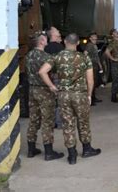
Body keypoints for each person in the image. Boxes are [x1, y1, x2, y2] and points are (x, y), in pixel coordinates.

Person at [39, 33, 101, 165]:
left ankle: (72, 155)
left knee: (68, 124)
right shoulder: (84, 58)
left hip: (64, 95)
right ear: (78, 43)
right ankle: (87, 149)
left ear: (65, 42)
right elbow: (90, 80)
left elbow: (42, 71)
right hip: (80, 95)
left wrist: (51, 86)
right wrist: (89, 95)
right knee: (83, 122)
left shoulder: (57, 56)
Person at [25, 31, 64, 161]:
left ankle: (31, 149)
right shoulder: (46, 57)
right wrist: (51, 86)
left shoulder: (28, 55)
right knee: (47, 120)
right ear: (41, 42)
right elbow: (47, 73)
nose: (47, 40)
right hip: (44, 92)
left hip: (32, 90)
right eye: (45, 39)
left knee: (33, 119)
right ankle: (49, 151)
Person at [83, 32, 103, 105]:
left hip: (95, 65)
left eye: (95, 36)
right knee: (91, 82)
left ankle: (93, 98)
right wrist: (87, 63)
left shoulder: (94, 45)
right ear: (90, 38)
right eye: (93, 36)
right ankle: (91, 98)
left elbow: (97, 57)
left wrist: (100, 65)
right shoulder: (89, 45)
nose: (95, 37)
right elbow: (85, 54)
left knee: (95, 82)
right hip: (91, 66)